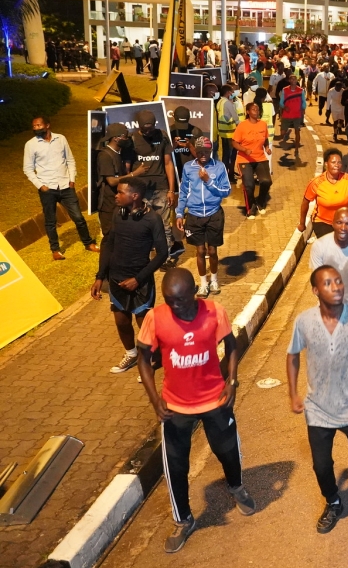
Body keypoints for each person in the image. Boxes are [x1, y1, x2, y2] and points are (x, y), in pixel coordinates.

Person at [136, 268, 254, 553]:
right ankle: (183, 519)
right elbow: (143, 359)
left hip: (215, 400)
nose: (174, 306)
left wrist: (232, 381)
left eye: (180, 300)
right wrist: (155, 400)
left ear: (194, 293)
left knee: (228, 451)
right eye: (168, 300)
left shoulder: (214, 312)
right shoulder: (155, 318)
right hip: (175, 407)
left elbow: (232, 345)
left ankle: (236, 486)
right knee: (176, 465)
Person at [287, 265, 348, 534]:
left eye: (339, 281)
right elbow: (292, 356)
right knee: (321, 465)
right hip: (318, 408)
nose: (337, 287)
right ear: (316, 291)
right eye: (328, 283)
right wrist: (293, 393)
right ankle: (333, 501)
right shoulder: (304, 322)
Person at [92, 177, 168, 373]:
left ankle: (149, 361)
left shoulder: (152, 219)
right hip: (116, 278)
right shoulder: (118, 213)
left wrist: (138, 279)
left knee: (144, 326)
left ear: (134, 196)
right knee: (121, 321)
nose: (116, 196)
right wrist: (100, 276)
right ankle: (132, 354)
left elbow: (162, 254)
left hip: (140, 281)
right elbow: (108, 244)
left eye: (120, 192)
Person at [24, 115, 99, 260]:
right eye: (34, 126)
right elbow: (27, 169)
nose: (36, 128)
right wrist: (41, 186)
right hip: (47, 189)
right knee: (50, 221)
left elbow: (70, 160)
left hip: (65, 186)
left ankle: (88, 243)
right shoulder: (30, 145)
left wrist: (71, 179)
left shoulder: (61, 139)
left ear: (47, 125)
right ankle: (56, 250)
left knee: (78, 217)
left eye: (39, 125)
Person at [175, 137, 230, 297]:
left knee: (212, 251)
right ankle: (203, 284)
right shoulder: (188, 167)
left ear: (211, 151)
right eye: (200, 152)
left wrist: (208, 181)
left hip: (214, 213)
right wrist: (179, 213)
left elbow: (226, 191)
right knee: (199, 251)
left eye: (206, 151)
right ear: (195, 152)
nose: (203, 155)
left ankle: (214, 280)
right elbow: (184, 191)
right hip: (194, 215)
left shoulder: (219, 167)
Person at [127, 110, 183, 261]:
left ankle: (166, 256)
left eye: (151, 128)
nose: (148, 131)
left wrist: (171, 190)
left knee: (164, 225)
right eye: (145, 129)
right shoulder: (132, 139)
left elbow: (168, 163)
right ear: (139, 125)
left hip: (161, 188)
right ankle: (141, 258)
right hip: (140, 191)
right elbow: (127, 168)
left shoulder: (162, 135)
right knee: (140, 225)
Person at [231, 100, 272, 218]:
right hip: (245, 159)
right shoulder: (242, 125)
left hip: (260, 158)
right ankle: (251, 208)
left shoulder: (263, 124)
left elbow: (265, 138)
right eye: (254, 109)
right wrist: (244, 150)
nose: (256, 111)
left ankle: (260, 202)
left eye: (258, 109)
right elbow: (234, 142)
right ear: (248, 112)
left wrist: (267, 147)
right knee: (249, 185)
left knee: (266, 181)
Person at [96, 123, 131, 236]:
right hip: (108, 206)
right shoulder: (105, 155)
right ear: (116, 138)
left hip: (117, 203)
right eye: (125, 136)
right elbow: (111, 181)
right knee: (109, 238)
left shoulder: (117, 154)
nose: (127, 139)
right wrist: (133, 174)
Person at [278, 73, 306, 151]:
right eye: (292, 79)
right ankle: (286, 134)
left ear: (297, 80)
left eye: (295, 79)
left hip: (297, 115)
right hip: (287, 115)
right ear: (289, 80)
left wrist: (303, 109)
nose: (293, 80)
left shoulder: (301, 90)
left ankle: (296, 149)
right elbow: (281, 102)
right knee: (282, 133)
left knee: (297, 131)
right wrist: (284, 107)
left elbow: (304, 102)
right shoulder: (285, 90)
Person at [169, 105, 200, 171]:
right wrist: (173, 146)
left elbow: (201, 157)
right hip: (174, 170)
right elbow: (163, 158)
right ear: (173, 117)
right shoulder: (169, 131)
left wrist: (190, 146)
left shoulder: (196, 131)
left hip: (191, 171)